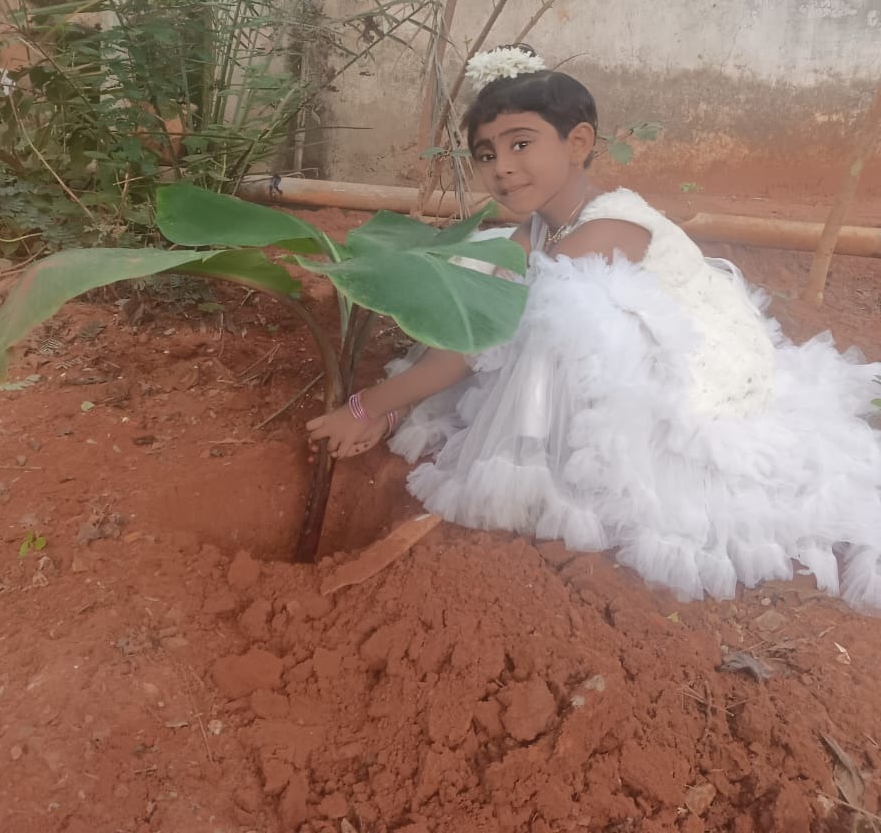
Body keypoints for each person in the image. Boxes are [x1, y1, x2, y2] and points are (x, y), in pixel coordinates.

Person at [305, 47, 881, 608]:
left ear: (577, 143)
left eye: (521, 144)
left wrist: (367, 405)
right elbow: (473, 315)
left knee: (551, 322)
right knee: (484, 274)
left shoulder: (607, 228)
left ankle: (546, 480)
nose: (501, 167)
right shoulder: (539, 226)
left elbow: (485, 337)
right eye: (485, 153)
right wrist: (397, 406)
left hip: (698, 374)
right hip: (646, 346)